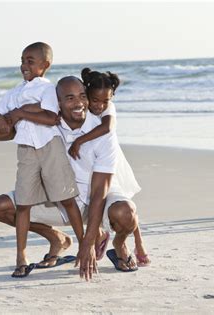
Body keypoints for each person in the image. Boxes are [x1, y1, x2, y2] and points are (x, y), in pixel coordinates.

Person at [0, 76, 141, 280]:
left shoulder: (104, 133)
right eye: (70, 98)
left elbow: (99, 192)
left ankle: (119, 243)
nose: (78, 103)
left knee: (126, 213)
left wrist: (87, 242)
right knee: (2, 207)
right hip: (61, 200)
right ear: (57, 103)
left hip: (100, 201)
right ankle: (57, 239)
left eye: (82, 97)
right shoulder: (47, 123)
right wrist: (5, 120)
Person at [0, 42, 83, 278]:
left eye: (30, 61)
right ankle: (21, 256)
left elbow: (51, 118)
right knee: (23, 204)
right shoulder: (14, 92)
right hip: (26, 150)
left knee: (67, 198)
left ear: (45, 65)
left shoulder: (48, 89)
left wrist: (20, 113)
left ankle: (85, 246)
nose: (24, 65)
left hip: (50, 147)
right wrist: (2, 119)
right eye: (22, 60)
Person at [68, 67, 150, 266]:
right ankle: (104, 234)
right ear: (86, 94)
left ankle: (138, 244)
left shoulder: (108, 109)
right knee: (118, 202)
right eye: (95, 100)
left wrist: (79, 141)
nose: (100, 105)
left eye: (106, 100)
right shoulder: (83, 108)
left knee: (126, 201)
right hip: (97, 160)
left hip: (113, 160)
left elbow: (107, 127)